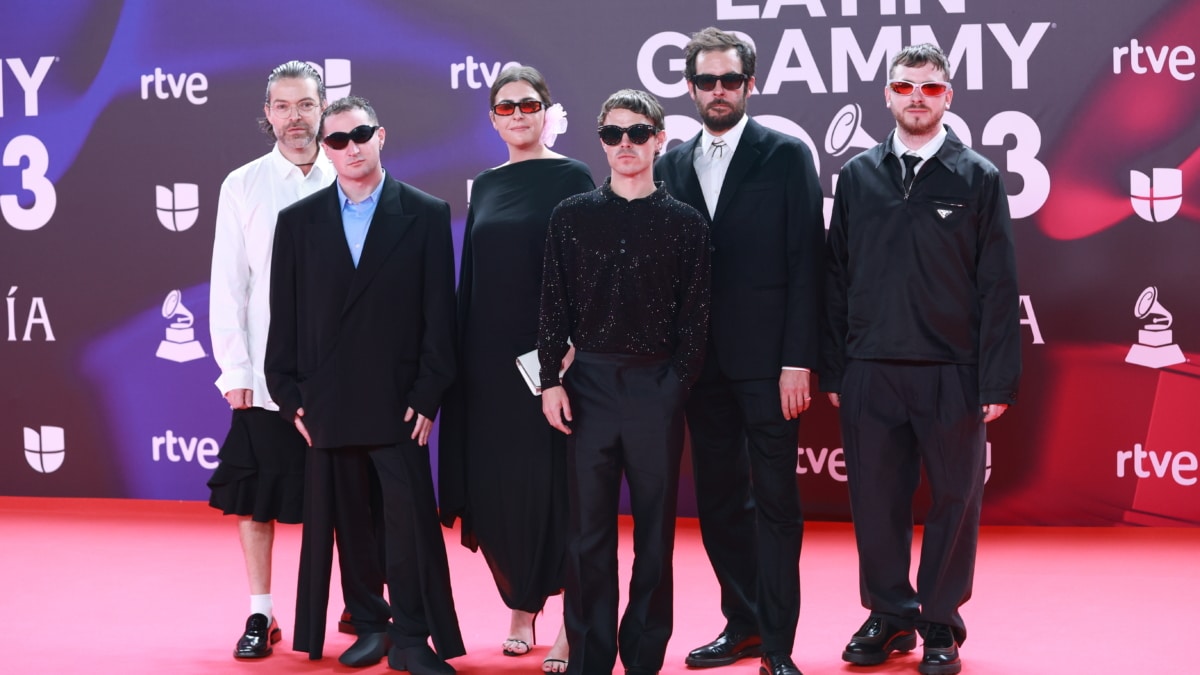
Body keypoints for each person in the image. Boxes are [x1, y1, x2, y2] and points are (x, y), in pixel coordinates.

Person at [821, 43, 1020, 675]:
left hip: (952, 373)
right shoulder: (856, 176)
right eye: (905, 87)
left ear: (947, 98)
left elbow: (997, 285)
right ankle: (889, 615)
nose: (916, 98)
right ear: (887, 94)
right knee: (876, 501)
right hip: (870, 369)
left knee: (954, 500)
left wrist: (997, 377)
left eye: (929, 89)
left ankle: (939, 622)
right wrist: (834, 368)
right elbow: (834, 280)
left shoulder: (978, 178)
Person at [265, 95, 465, 675]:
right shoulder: (297, 223)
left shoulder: (425, 213)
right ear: (324, 150)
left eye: (360, 136)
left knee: (410, 525)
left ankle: (412, 636)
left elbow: (439, 316)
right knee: (349, 521)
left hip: (400, 401)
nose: (350, 148)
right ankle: (370, 624)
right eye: (337, 141)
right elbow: (286, 317)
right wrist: (288, 393)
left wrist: (429, 393)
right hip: (327, 400)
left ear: (382, 136)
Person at [654, 27, 824, 675]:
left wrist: (797, 359)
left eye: (730, 80)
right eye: (706, 81)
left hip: (772, 366)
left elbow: (806, 261)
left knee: (777, 502)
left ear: (751, 84)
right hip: (699, 369)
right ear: (691, 88)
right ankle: (743, 622)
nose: (718, 91)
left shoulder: (785, 156)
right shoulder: (670, 164)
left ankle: (778, 644)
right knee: (721, 500)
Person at [539, 88, 710, 675]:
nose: (626, 145)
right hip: (586, 386)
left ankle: (642, 657)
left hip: (655, 388)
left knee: (655, 536)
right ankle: (590, 656)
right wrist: (549, 381)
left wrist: (675, 385)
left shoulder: (685, 223)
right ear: (602, 141)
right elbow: (552, 308)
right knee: (587, 533)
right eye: (613, 134)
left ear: (660, 139)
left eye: (638, 133)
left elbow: (696, 317)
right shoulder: (571, 216)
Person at [438, 65, 593, 674]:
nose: (519, 114)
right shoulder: (487, 185)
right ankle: (520, 608)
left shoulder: (572, 176)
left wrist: (573, 341)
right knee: (499, 487)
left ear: (547, 111)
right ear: (493, 118)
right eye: (507, 107)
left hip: (547, 358)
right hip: (486, 360)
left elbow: (582, 264)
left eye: (530, 104)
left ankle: (567, 625)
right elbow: (471, 275)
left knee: (554, 486)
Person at [206, 60, 334, 660]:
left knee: (347, 501)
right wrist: (235, 372)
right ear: (267, 114)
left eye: (305, 104)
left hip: (342, 377)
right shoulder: (243, 184)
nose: (294, 118)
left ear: (323, 107)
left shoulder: (352, 172)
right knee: (257, 502)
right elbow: (228, 285)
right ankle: (262, 612)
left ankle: (361, 605)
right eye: (282, 106)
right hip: (264, 375)